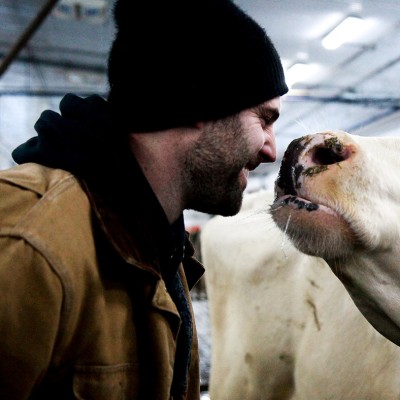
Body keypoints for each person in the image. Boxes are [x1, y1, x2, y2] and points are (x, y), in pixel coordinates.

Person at [0, 0, 288, 398]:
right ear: (202, 99)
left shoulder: (159, 245)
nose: (271, 150)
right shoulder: (31, 243)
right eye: (265, 119)